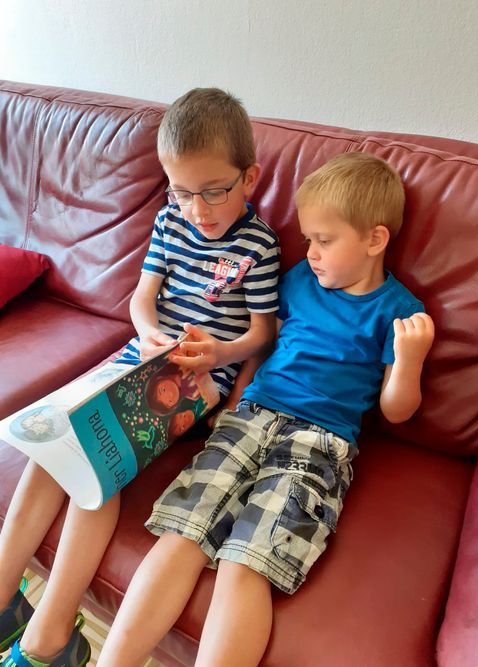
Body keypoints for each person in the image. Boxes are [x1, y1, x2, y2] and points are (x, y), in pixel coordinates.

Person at [96, 152, 435, 667]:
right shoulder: (298, 280)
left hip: (318, 442)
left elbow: (397, 412)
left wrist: (409, 360)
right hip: (250, 417)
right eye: (308, 239)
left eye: (325, 241)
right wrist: (231, 408)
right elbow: (265, 347)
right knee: (181, 534)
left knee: (246, 561)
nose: (311, 252)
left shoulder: (400, 311)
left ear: (375, 239)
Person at [0, 88, 280, 667]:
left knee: (96, 465)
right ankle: (3, 599)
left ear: (249, 177)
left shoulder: (260, 245)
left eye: (214, 192)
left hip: (199, 379)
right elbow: (141, 301)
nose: (198, 210)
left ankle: (50, 641)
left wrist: (217, 351)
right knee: (51, 447)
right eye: (182, 191)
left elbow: (263, 334)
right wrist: (149, 333)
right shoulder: (170, 220)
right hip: (142, 355)